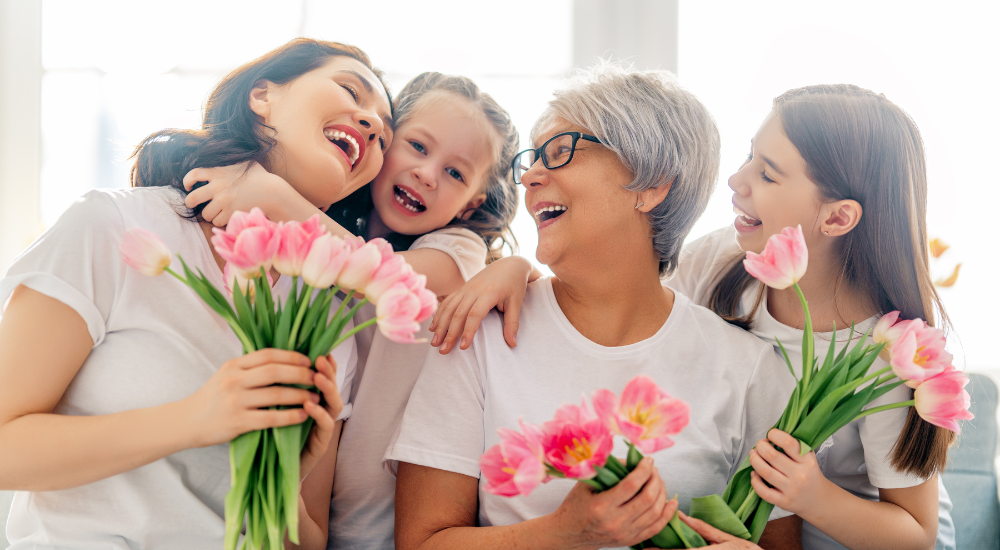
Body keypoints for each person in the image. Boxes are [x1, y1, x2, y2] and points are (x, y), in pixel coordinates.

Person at [428, 84, 957, 550]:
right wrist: (515, 268)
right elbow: (622, 299)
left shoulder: (892, 355)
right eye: (750, 157)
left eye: (767, 174)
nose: (737, 179)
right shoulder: (729, 262)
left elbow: (916, 532)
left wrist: (811, 495)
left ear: (837, 217)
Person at [387, 63, 801, 550]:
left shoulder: (750, 372)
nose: (531, 177)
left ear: (651, 184)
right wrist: (562, 534)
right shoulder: (477, 332)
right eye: (533, 158)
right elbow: (420, 542)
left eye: (560, 152)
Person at [0, 38, 392, 549]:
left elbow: (306, 543)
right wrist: (194, 419)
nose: (371, 125)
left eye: (384, 133)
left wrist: (281, 477)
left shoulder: (331, 327)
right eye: (350, 91)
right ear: (261, 95)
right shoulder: (115, 226)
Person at [182, 71, 520, 549]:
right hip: (310, 496)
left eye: (455, 173)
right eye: (418, 148)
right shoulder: (333, 220)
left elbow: (381, 276)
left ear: (471, 205)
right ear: (382, 147)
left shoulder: (456, 249)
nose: (428, 173)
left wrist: (277, 198)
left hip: (384, 516)